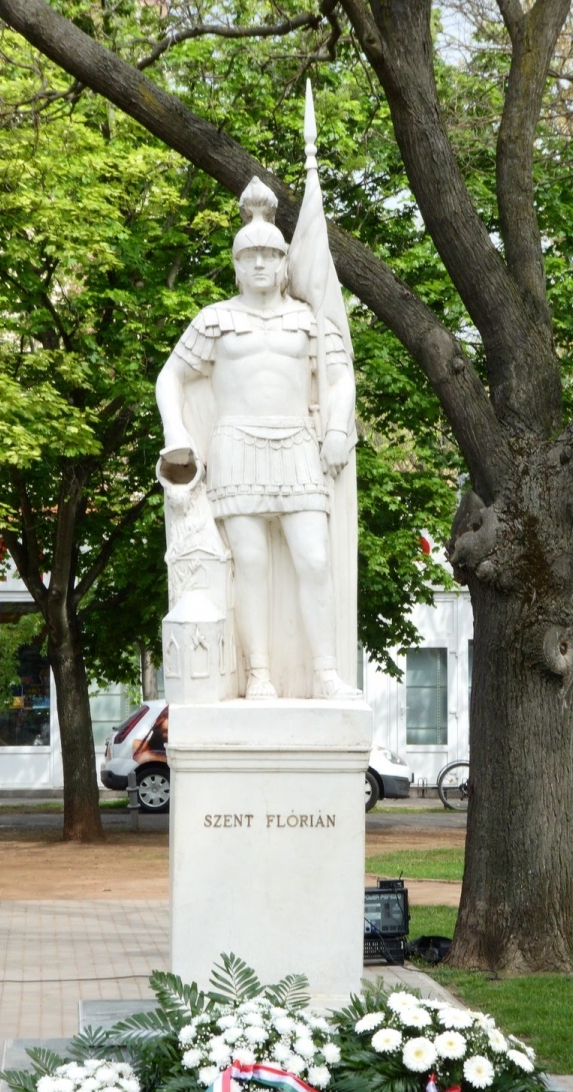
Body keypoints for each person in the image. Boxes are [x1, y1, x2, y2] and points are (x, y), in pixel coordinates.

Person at [156, 177, 358, 702]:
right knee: (250, 563)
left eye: (271, 254)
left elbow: (340, 378)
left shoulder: (309, 320)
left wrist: (337, 430)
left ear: (284, 261)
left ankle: (326, 672)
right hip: (236, 449)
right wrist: (176, 435)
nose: (262, 265)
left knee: (313, 558)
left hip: (297, 446)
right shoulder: (215, 320)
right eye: (252, 257)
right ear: (238, 265)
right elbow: (170, 377)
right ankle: (260, 674)